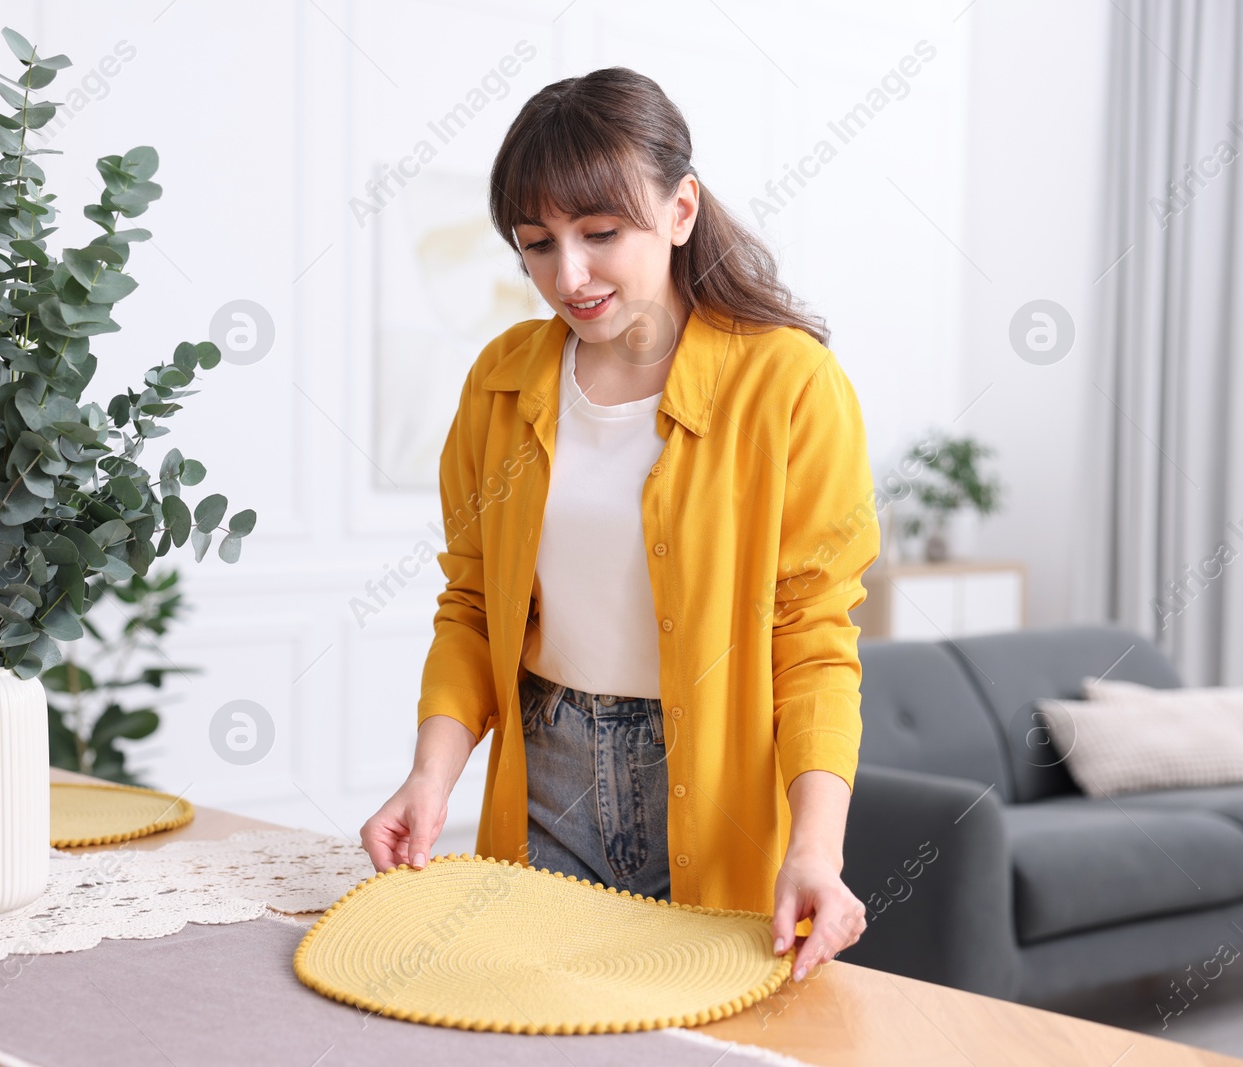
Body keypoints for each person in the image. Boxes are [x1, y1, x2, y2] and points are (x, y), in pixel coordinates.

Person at [360, 66, 877, 985]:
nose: (571, 275)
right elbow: (474, 606)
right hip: (547, 777)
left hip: (718, 794)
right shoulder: (501, 380)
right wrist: (431, 776)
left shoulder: (790, 384)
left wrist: (817, 847)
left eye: (601, 234)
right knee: (528, 1030)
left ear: (681, 210)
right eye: (538, 243)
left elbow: (812, 642)